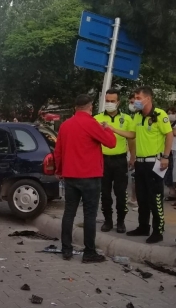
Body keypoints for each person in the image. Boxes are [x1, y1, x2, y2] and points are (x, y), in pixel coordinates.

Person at [54, 94, 117, 262]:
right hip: (90, 177)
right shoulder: (92, 124)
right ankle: (89, 252)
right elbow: (111, 143)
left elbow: (58, 151)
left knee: (69, 213)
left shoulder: (65, 125)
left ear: (75, 107)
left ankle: (66, 249)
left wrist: (59, 170)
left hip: (70, 176)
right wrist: (107, 128)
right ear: (90, 107)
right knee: (89, 215)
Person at [126, 86, 173, 244]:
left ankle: (158, 230)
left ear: (148, 98)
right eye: (135, 98)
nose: (136, 101)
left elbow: (169, 135)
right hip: (140, 163)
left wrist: (166, 156)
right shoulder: (137, 116)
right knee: (142, 197)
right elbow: (132, 134)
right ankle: (143, 227)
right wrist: (113, 130)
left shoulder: (160, 114)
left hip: (155, 163)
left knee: (155, 198)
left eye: (138, 98)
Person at [94, 89, 136, 234]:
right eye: (107, 101)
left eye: (112, 101)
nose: (109, 103)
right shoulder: (97, 119)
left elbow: (132, 137)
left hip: (120, 160)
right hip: (102, 160)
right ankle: (108, 220)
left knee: (121, 193)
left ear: (118, 102)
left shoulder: (127, 118)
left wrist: (133, 157)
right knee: (104, 193)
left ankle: (121, 222)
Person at [127, 92, 139, 210]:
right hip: (134, 152)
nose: (131, 105)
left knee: (138, 179)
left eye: (133, 102)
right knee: (134, 177)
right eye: (130, 102)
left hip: (144, 154)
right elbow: (131, 136)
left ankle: (138, 201)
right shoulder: (135, 117)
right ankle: (134, 199)